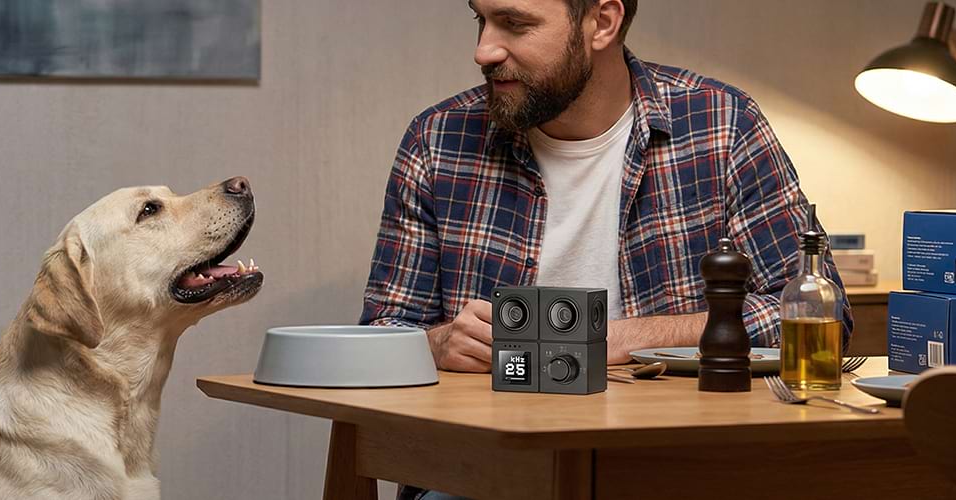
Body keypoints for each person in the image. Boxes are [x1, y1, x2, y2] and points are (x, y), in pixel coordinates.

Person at [360, 1, 850, 496]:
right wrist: (437, 344)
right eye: (480, 21)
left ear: (603, 22)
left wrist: (616, 339)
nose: (483, 50)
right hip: (490, 470)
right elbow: (381, 336)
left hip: (681, 463)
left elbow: (820, 319)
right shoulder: (437, 138)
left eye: (515, 23)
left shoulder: (723, 124)